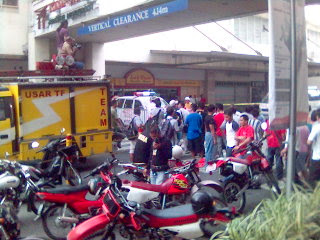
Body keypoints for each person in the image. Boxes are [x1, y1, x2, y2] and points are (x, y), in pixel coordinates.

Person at [307, 109, 320, 187]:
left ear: (318, 117)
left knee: (312, 180)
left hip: (317, 157)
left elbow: (309, 141)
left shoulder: (316, 127)